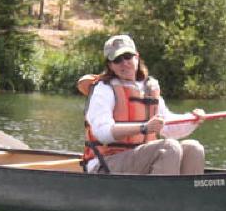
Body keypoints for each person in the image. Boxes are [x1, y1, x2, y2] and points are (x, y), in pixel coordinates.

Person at [78, 34, 205, 175]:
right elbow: (103, 133)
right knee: (168, 147)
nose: (124, 63)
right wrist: (144, 127)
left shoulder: (148, 88)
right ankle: (160, 189)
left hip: (139, 158)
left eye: (127, 56)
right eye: (117, 60)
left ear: (136, 57)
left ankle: (187, 190)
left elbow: (168, 127)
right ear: (110, 65)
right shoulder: (104, 89)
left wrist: (193, 119)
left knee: (194, 149)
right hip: (105, 163)